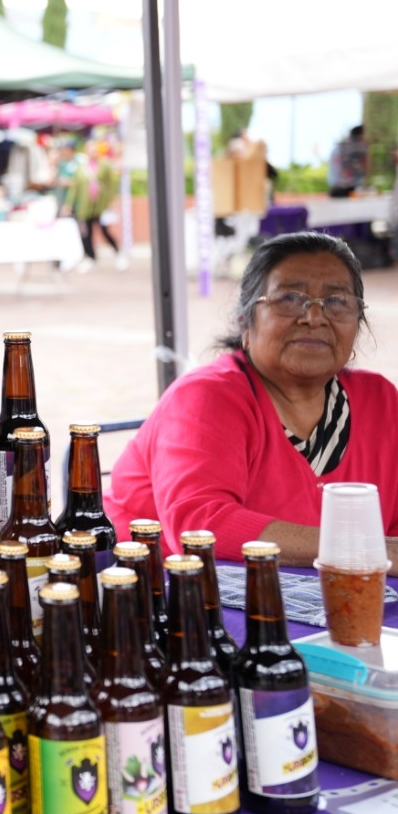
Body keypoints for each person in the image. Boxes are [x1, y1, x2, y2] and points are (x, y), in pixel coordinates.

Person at [105, 232, 398, 571]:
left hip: (325, 595)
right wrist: (364, 548)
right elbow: (201, 526)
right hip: (163, 589)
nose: (314, 317)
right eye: (290, 298)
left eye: (337, 301)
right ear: (246, 321)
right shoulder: (206, 397)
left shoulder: (380, 401)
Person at [328, 124, 367, 198]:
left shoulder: (340, 147)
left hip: (335, 189)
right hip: (345, 190)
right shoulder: (355, 149)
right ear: (360, 136)